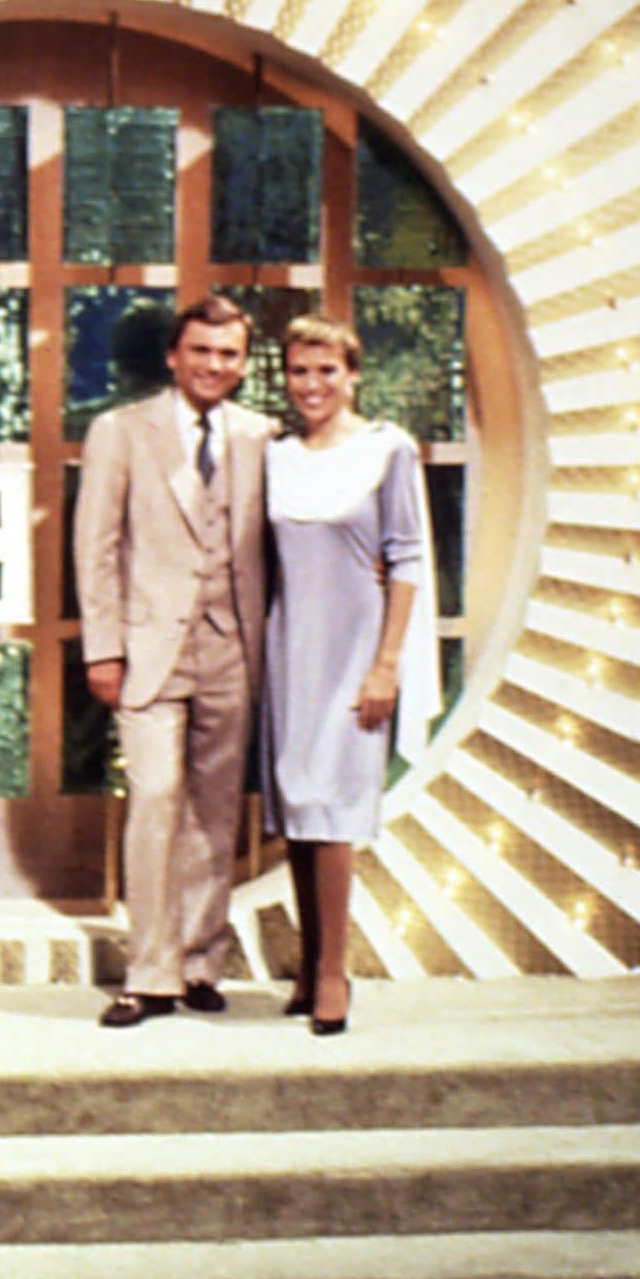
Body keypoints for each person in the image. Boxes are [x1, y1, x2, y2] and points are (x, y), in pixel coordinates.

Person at [74, 296, 274, 1028]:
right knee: (155, 798)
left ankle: (198, 962)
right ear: (173, 355)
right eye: (202, 351)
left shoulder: (261, 435)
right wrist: (104, 646)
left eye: (228, 354)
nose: (215, 365)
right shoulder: (121, 430)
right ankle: (149, 972)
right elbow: (94, 546)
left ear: (244, 363)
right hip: (148, 647)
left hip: (234, 646)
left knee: (215, 811)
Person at [261, 314, 435, 1035]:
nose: (312, 385)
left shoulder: (387, 449)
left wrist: (386, 664)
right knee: (300, 810)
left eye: (326, 370)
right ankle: (307, 965)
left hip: (356, 650)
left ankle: (335, 970)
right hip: (288, 646)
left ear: (353, 373)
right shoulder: (275, 454)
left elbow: (407, 557)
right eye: (300, 371)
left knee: (332, 812)